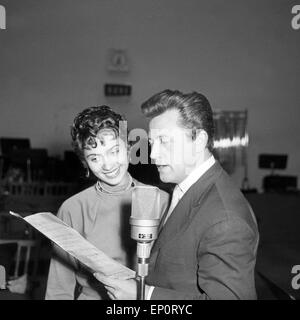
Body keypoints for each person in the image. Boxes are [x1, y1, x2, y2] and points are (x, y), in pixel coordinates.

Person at [94, 90, 259, 300]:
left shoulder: (225, 219)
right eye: (153, 143)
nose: (152, 155)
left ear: (199, 141)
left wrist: (145, 296)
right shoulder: (183, 188)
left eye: (165, 141)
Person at [45, 106, 169, 300]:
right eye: (95, 158)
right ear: (85, 163)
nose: (108, 165)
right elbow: (59, 288)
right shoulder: (73, 209)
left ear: (129, 149)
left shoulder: (161, 201)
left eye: (114, 151)